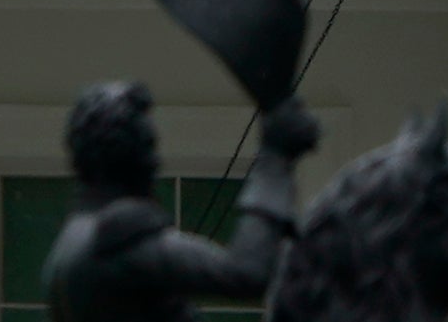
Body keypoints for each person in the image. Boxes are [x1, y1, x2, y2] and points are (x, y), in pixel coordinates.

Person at [40, 75, 320, 322]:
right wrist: (274, 158)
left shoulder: (71, 240)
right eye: (148, 148)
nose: (156, 162)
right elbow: (246, 272)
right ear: (126, 155)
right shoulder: (116, 235)